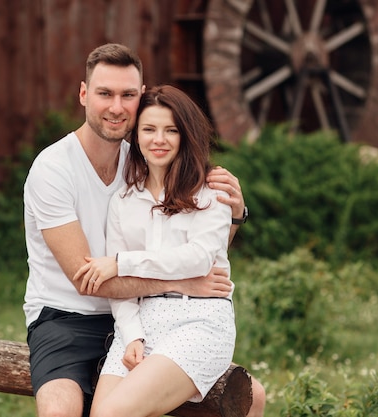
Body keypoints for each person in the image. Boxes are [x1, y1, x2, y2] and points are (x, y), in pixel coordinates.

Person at [23, 43, 265, 417]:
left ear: (140, 98)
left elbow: (203, 256)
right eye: (105, 93)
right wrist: (180, 284)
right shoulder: (54, 169)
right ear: (84, 94)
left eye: (128, 95)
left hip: (146, 316)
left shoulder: (139, 162)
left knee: (252, 395)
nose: (117, 107)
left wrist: (234, 216)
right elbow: (89, 280)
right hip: (67, 318)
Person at [73, 84, 236, 417]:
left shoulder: (210, 192)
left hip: (199, 321)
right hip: (140, 325)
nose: (158, 139)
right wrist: (132, 336)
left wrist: (120, 263)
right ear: (136, 136)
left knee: (111, 414)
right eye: (149, 129)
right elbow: (121, 292)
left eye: (170, 130)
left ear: (185, 135)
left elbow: (197, 260)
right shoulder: (123, 202)